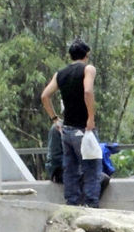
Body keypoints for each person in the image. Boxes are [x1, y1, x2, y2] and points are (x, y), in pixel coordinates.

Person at [41, 39, 102, 207]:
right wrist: (91, 118)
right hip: (83, 129)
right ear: (86, 55)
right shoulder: (88, 69)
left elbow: (45, 96)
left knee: (71, 170)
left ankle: (72, 204)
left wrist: (54, 119)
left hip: (66, 130)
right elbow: (88, 91)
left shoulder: (60, 74)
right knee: (91, 168)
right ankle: (91, 205)